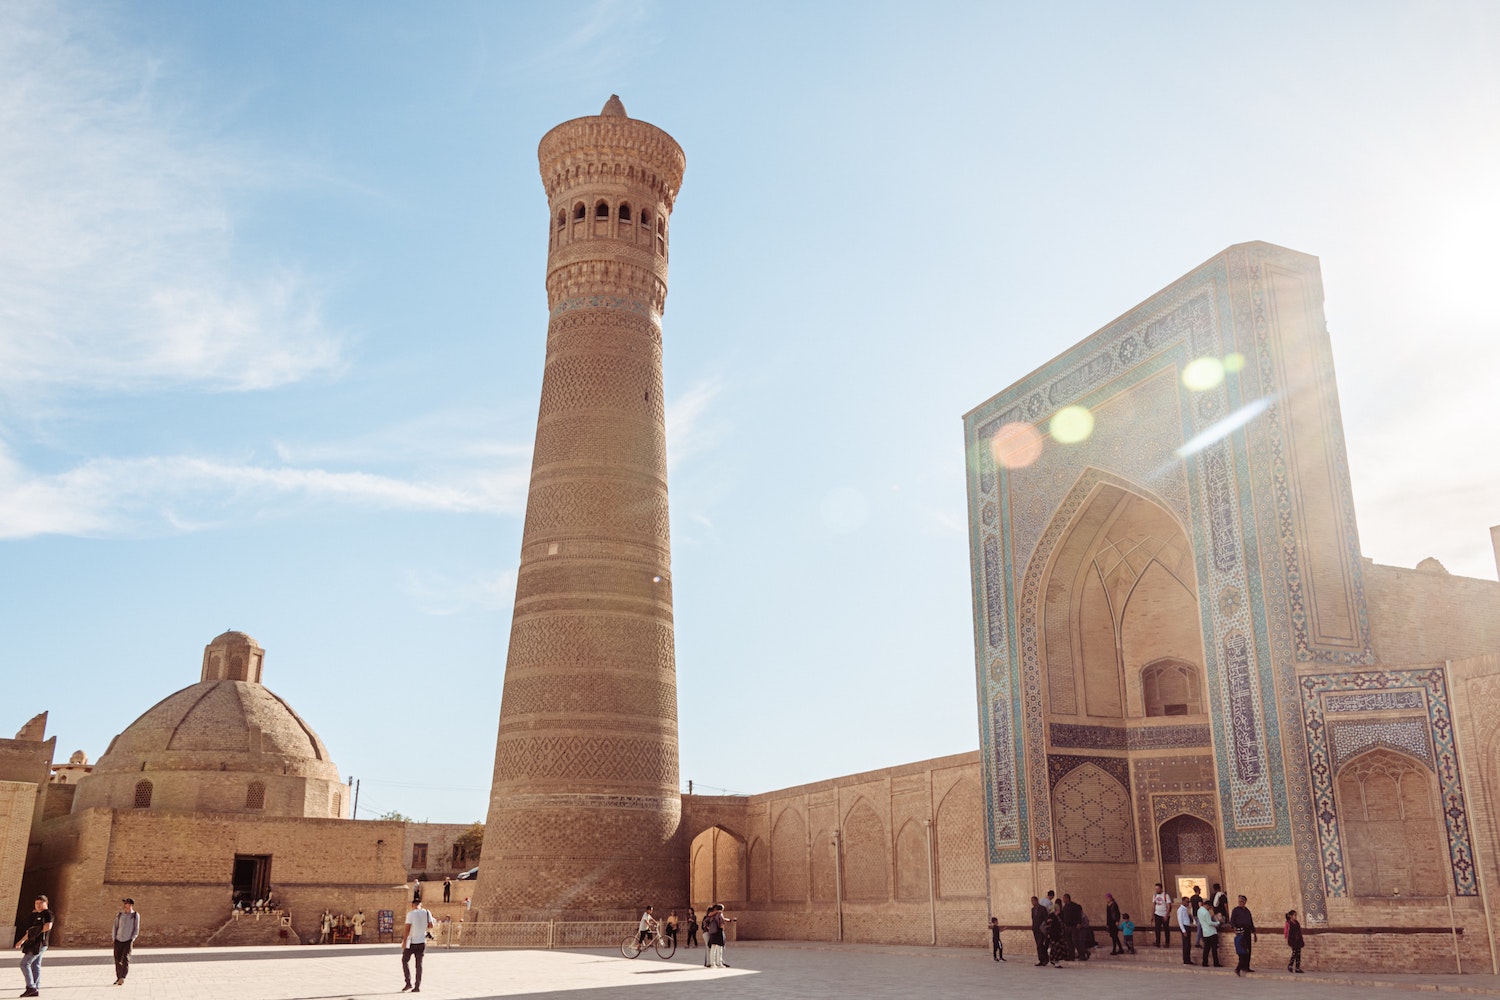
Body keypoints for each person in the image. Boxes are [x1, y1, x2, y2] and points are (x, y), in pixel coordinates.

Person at [13, 894, 53, 998]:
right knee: (35, 965)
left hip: (40, 944)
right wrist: (21, 941)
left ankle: (31, 987)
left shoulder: (48, 914)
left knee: (24, 963)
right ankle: (35, 988)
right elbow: (31, 931)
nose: (38, 905)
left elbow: (48, 927)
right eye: (36, 903)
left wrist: (35, 931)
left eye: (41, 903)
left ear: (46, 903)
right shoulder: (37, 915)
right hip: (35, 943)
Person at [401, 900, 433, 993]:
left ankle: (408, 982)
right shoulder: (427, 912)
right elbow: (431, 926)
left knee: (404, 960)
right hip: (422, 941)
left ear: (412, 905)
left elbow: (407, 929)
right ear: (420, 904)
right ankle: (417, 986)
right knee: (419, 965)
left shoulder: (411, 914)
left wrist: (404, 941)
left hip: (411, 941)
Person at [112, 897, 141, 986]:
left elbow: (136, 928)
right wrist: (114, 938)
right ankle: (118, 977)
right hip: (118, 939)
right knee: (117, 959)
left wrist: (133, 938)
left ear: (131, 905)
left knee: (125, 958)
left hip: (128, 940)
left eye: (127, 904)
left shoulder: (135, 915)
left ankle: (123, 977)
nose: (125, 906)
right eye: (125, 904)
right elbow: (115, 927)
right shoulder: (120, 915)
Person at [1230, 895, 1257, 976]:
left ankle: (1246, 967)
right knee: (1242, 950)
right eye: (1239, 901)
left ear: (1245, 902)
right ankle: (1239, 967)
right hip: (1240, 931)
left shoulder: (1247, 911)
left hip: (1247, 931)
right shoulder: (1236, 910)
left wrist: (1254, 933)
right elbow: (1232, 920)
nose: (1240, 903)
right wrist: (1234, 927)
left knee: (1248, 949)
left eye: (1242, 901)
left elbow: (1251, 922)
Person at [1196, 895, 1222, 967]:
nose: (1209, 909)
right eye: (1209, 907)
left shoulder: (1199, 911)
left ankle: (1204, 962)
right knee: (1214, 949)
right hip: (1211, 932)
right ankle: (1216, 963)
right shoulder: (1206, 912)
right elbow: (1209, 922)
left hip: (1205, 932)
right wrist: (1217, 923)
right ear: (1207, 905)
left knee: (1206, 949)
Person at [1029, 896, 1049, 966]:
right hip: (1035, 929)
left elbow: (1046, 918)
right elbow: (1033, 919)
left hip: (1041, 929)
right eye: (1031, 901)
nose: (1032, 903)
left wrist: (1045, 927)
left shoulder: (1042, 909)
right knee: (1038, 945)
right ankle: (1043, 959)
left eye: (1033, 901)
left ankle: (1043, 959)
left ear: (1037, 901)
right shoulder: (1032, 909)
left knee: (1040, 944)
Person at [1176, 896, 1194, 965]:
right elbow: (1180, 921)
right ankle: (1186, 960)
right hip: (1184, 927)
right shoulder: (1180, 910)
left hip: (1187, 926)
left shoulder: (1185, 909)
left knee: (1188, 944)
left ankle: (1188, 959)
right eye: (1187, 901)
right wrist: (1183, 930)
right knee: (1186, 944)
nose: (1188, 903)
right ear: (1183, 901)